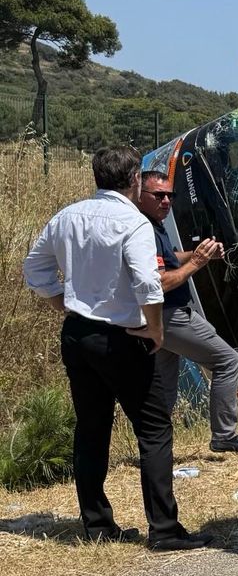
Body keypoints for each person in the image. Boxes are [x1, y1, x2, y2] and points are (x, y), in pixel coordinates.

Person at [23, 147, 211, 550]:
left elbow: (34, 267)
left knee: (91, 428)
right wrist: (156, 330)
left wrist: (60, 301)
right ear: (134, 181)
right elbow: (148, 284)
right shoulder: (133, 222)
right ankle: (163, 527)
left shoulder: (67, 216)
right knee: (154, 428)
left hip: (77, 333)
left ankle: (96, 524)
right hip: (123, 335)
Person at [135, 170, 238, 453]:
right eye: (159, 195)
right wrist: (197, 264)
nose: (166, 201)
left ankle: (156, 445)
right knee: (228, 361)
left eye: (170, 195)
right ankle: (224, 434)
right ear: (139, 195)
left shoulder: (152, 225)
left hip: (158, 317)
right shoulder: (144, 229)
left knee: (165, 388)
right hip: (170, 315)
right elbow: (162, 282)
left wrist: (196, 254)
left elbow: (167, 260)